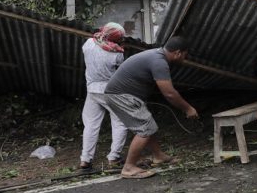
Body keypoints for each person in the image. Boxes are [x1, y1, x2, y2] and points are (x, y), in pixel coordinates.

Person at [104, 36, 199, 179]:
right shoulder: (159, 62)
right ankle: (129, 167)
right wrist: (188, 108)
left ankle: (158, 156)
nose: (184, 59)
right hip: (121, 96)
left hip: (123, 94)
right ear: (178, 53)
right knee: (145, 128)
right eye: (184, 55)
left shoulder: (157, 56)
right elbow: (169, 93)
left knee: (149, 124)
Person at [79, 23, 128, 171]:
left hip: (92, 90)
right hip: (111, 91)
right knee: (120, 123)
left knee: (91, 125)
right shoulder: (117, 53)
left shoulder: (88, 44)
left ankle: (85, 160)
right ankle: (114, 157)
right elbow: (121, 70)